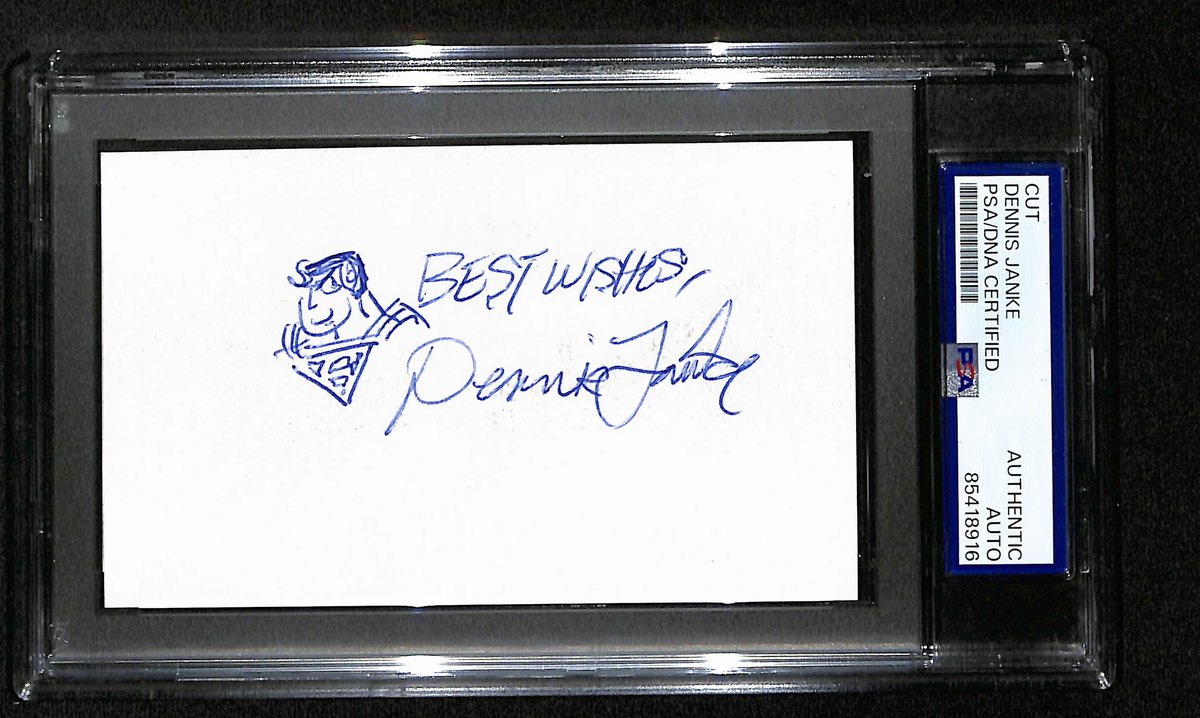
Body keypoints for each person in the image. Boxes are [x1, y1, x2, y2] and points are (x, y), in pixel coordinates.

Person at [277, 251, 427, 405]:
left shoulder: (403, 332)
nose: (310, 304)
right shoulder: (300, 350)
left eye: (324, 287)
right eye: (305, 292)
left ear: (350, 276)